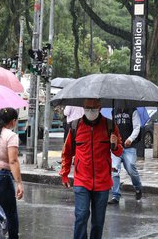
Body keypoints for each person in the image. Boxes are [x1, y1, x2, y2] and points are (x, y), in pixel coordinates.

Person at [60, 99, 123, 239]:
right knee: (81, 216)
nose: (91, 111)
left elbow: (119, 152)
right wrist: (64, 173)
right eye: (88, 108)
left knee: (98, 222)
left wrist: (115, 144)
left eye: (94, 108)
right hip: (82, 180)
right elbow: (67, 152)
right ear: (83, 107)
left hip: (102, 181)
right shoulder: (75, 126)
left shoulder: (110, 125)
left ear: (100, 107)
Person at [0, 108, 23, 239]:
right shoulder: (11, 136)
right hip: (2, 177)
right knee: (10, 213)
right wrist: (19, 183)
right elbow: (13, 161)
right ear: (13, 121)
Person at [108, 108, 143, 204]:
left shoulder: (133, 111)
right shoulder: (114, 110)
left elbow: (137, 127)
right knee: (114, 169)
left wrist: (131, 139)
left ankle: (138, 187)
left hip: (129, 147)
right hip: (116, 147)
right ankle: (115, 195)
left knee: (131, 168)